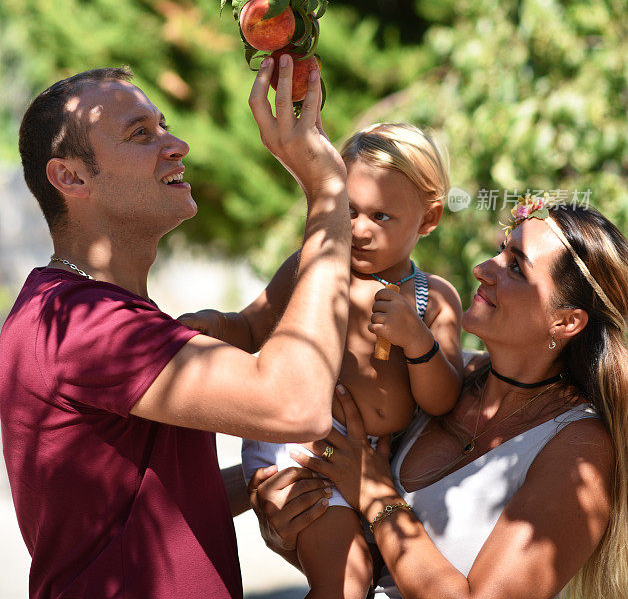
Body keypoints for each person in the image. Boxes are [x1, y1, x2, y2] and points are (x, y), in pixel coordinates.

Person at [0, 55, 350, 599]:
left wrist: (261, 484)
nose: (176, 144)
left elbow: (149, 501)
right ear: (70, 176)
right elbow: (295, 405)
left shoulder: (86, 311)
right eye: (141, 134)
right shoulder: (79, 324)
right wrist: (327, 192)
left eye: (164, 124)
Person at [252, 196, 628, 599]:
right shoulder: (442, 378)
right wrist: (285, 520)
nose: (482, 268)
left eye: (516, 267)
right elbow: (364, 559)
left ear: (566, 321)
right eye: (502, 250)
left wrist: (375, 494)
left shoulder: (581, 451)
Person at [182, 122, 464, 598]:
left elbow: (441, 400)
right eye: (349, 211)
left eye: (382, 216)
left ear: (429, 218)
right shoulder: (311, 267)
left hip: (374, 464)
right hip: (303, 451)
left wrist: (417, 341)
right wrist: (215, 326)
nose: (359, 229)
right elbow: (253, 327)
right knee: (346, 581)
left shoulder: (431, 299)